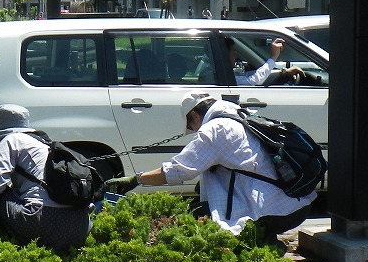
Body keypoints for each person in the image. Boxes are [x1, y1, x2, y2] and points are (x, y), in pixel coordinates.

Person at [111, 93, 316, 238]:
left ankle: (260, 242)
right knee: (201, 209)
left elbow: (178, 171)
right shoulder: (238, 115)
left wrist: (136, 179)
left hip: (274, 213)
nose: (193, 131)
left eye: (190, 126)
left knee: (190, 221)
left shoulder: (215, 129)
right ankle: (262, 239)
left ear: (194, 116)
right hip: (295, 205)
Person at [0, 104, 92, 251]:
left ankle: (6, 244)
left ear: (2, 133)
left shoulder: (11, 140)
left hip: (39, 221)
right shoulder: (43, 143)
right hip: (79, 227)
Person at [225, 35, 306, 86]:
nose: (236, 56)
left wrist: (283, 73)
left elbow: (248, 75)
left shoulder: (226, 76)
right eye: (233, 52)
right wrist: (274, 57)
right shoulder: (224, 79)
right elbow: (254, 80)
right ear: (225, 54)